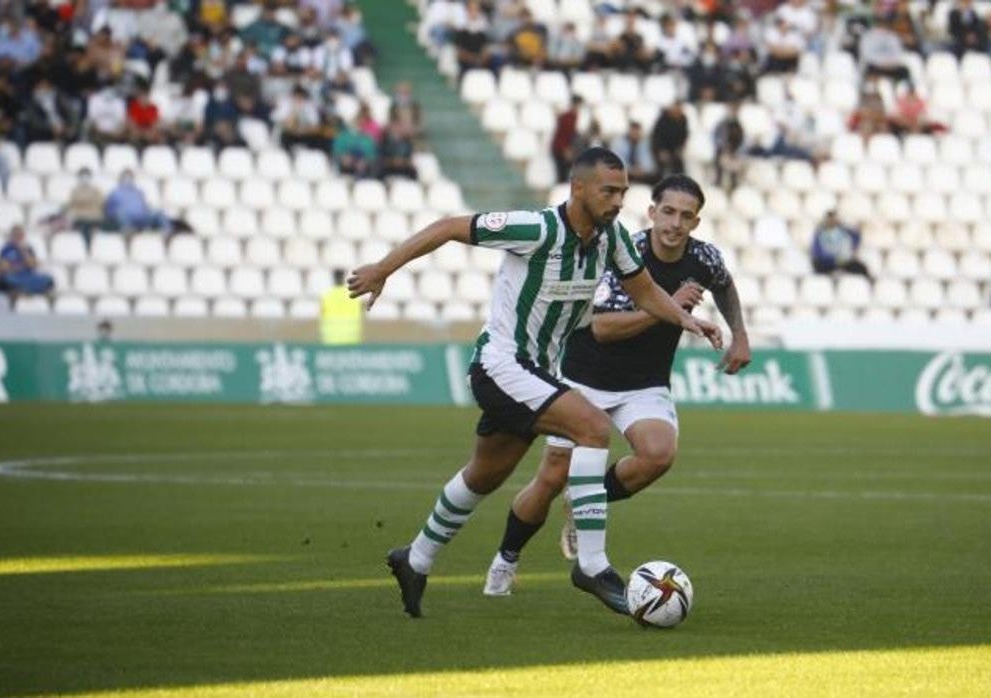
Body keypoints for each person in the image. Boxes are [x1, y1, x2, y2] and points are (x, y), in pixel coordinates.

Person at [346, 148, 722, 618]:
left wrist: (687, 321)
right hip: (500, 365)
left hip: (540, 373)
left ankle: (414, 558)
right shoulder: (537, 229)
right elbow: (447, 227)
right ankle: (592, 564)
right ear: (578, 188)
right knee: (591, 428)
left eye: (623, 191)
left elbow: (645, 292)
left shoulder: (613, 239)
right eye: (608, 191)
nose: (617, 200)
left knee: (484, 475)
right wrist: (383, 269)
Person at [480, 174, 751, 596]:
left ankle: (585, 502)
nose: (675, 223)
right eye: (668, 211)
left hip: (644, 383)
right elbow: (603, 328)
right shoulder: (626, 253)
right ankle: (506, 559)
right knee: (551, 478)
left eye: (686, 216)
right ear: (652, 211)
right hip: (583, 378)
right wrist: (670, 307)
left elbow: (725, 284)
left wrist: (740, 334)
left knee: (658, 454)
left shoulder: (704, 257)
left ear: (696, 223)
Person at [810, 210, 872, 280]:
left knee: (861, 268)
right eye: (830, 220)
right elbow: (818, 254)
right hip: (826, 263)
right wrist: (835, 260)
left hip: (842, 261)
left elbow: (856, 237)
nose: (832, 222)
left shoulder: (843, 231)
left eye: (834, 220)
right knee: (819, 266)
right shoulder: (820, 233)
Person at [0, 226, 55, 298]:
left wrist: (23, 251)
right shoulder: (6, 249)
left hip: (28, 276)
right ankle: (23, 291)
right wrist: (22, 265)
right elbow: (4, 268)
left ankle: (26, 290)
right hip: (15, 277)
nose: (18, 237)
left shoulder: (28, 249)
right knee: (8, 280)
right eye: (16, 235)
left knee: (48, 279)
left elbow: (33, 265)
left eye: (20, 235)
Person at [320, 269, 363, 345]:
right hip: (352, 338)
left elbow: (321, 315)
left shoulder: (326, 297)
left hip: (330, 339)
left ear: (333, 279)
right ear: (344, 278)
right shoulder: (354, 296)